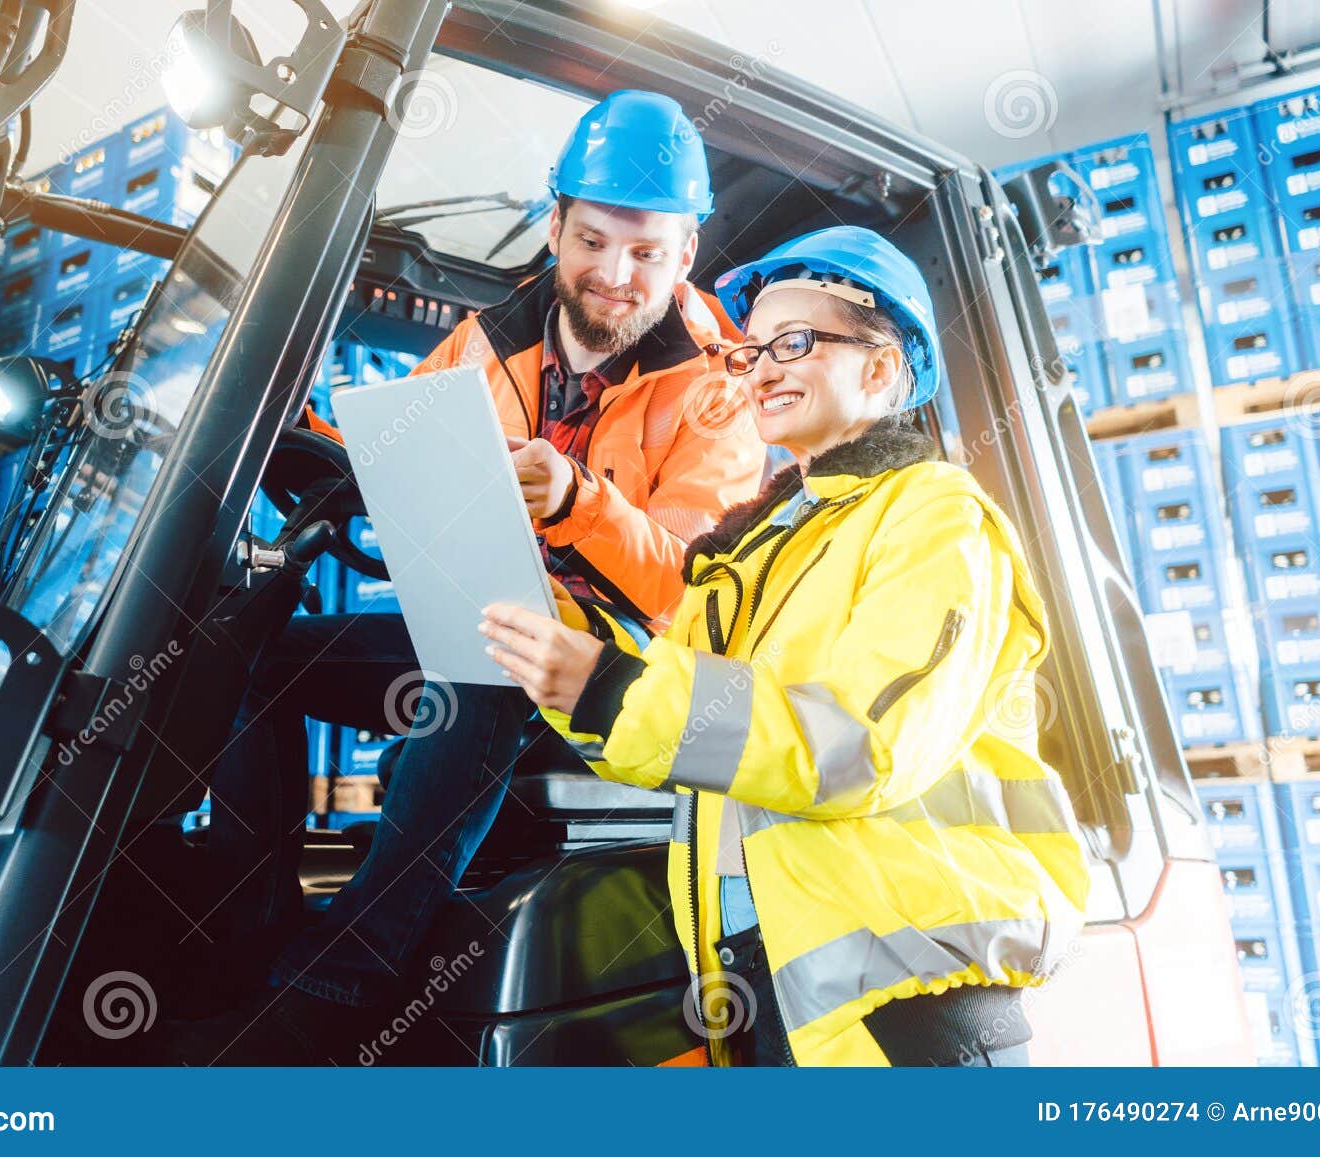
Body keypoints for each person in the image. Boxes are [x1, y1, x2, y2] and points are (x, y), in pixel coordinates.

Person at [198, 90, 765, 1059]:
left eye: (646, 253)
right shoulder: (485, 342)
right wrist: (302, 438)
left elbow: (682, 593)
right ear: (554, 227)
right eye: (593, 241)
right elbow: (394, 448)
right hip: (476, 633)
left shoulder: (719, 393)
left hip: (615, 681)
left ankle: (345, 976)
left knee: (491, 662)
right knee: (252, 649)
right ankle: (245, 924)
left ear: (685, 255)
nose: (616, 275)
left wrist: (576, 499)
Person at [480, 226, 1092, 1066]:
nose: (761, 367)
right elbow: (667, 729)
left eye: (794, 343)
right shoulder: (756, 551)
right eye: (751, 351)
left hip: (906, 1011)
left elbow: (857, 746)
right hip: (765, 986)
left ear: (882, 369)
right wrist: (548, 629)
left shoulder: (936, 518)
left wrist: (617, 687)